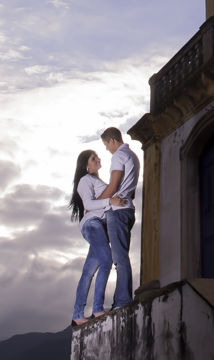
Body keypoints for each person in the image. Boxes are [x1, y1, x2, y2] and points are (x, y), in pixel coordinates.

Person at [69, 150, 126, 326]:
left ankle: (77, 315)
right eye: (93, 159)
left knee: (88, 271)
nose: (97, 159)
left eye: (97, 157)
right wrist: (110, 201)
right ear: (86, 165)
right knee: (106, 261)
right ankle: (97, 309)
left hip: (99, 226)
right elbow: (88, 204)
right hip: (93, 224)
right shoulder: (85, 180)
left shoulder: (97, 181)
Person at [96, 127, 140, 310]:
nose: (107, 149)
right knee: (121, 256)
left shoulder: (118, 156)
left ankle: (122, 301)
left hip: (118, 212)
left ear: (112, 140)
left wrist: (94, 204)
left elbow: (113, 187)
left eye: (106, 144)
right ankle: (121, 300)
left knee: (120, 258)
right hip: (127, 210)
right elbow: (131, 191)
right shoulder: (133, 156)